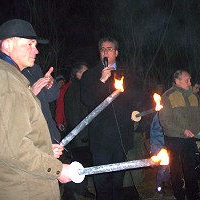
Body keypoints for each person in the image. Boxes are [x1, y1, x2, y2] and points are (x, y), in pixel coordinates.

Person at [0, 19, 72, 199]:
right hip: (23, 189)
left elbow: (11, 138)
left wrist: (44, 149)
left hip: (23, 182)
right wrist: (57, 169)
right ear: (8, 45)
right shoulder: (6, 85)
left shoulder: (7, 79)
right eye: (29, 44)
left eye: (35, 45)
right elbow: (13, 150)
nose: (36, 50)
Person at [80, 37, 139, 200]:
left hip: (121, 136)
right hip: (101, 139)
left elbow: (135, 99)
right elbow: (86, 99)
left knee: (118, 181)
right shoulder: (90, 75)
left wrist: (136, 114)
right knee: (102, 182)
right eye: (102, 49)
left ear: (116, 52)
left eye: (110, 49)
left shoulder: (126, 74)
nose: (105, 52)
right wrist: (101, 81)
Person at [159, 70, 200, 200]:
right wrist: (182, 130)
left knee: (190, 168)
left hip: (190, 138)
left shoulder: (193, 96)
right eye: (187, 80)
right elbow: (165, 120)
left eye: (190, 80)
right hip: (174, 138)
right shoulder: (167, 96)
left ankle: (193, 195)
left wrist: (195, 130)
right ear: (177, 81)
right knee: (176, 169)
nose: (190, 83)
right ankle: (179, 195)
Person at [63, 62, 95, 199]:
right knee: (77, 165)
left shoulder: (81, 87)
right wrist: (82, 135)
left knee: (84, 164)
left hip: (83, 135)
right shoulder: (75, 90)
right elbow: (74, 115)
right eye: (85, 72)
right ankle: (68, 194)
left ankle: (81, 189)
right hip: (80, 137)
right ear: (78, 74)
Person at [21, 64, 61, 143]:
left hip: (49, 134)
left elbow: (51, 97)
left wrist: (50, 84)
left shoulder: (34, 69)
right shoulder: (6, 73)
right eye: (30, 50)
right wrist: (31, 94)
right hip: (30, 140)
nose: (35, 51)